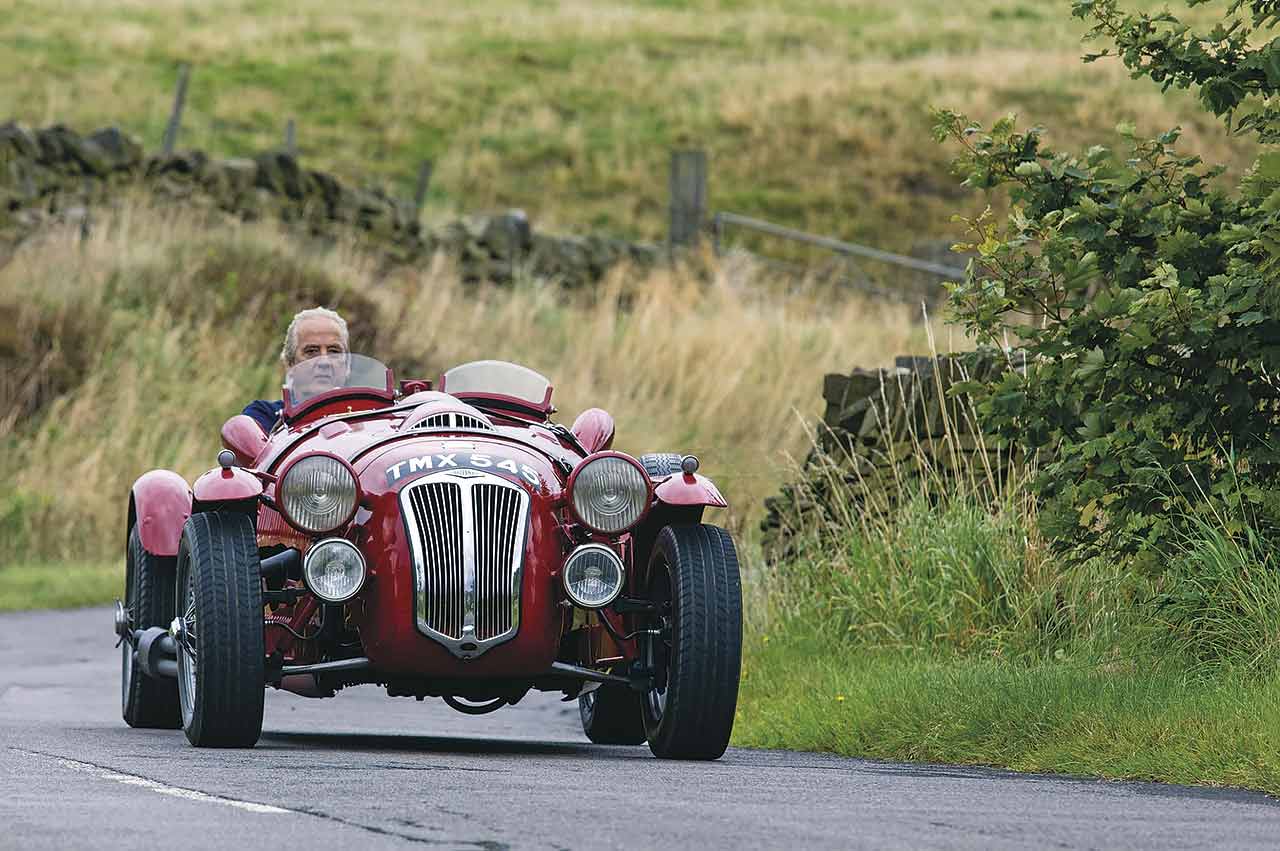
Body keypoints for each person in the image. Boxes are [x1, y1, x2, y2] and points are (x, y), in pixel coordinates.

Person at [242, 307, 350, 434]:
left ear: (346, 365)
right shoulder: (264, 416)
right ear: (290, 364)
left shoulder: (366, 417)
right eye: (311, 351)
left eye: (334, 352)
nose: (324, 362)